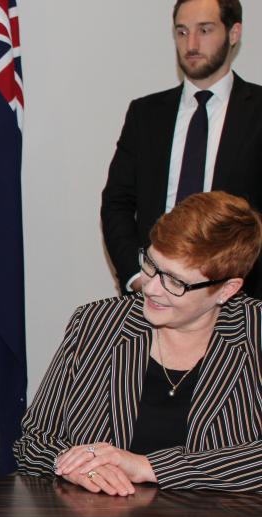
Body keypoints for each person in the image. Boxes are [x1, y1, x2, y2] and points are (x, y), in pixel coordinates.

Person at [16, 191, 262, 494]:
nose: (152, 288)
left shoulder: (255, 334)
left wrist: (149, 467)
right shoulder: (96, 324)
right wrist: (73, 465)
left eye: (176, 282)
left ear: (227, 289)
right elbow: (34, 441)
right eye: (151, 265)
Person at [101, 0, 262, 298]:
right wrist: (137, 277)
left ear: (234, 32)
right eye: (182, 31)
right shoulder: (145, 114)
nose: (192, 43)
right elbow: (117, 202)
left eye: (205, 29)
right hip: (154, 296)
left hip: (240, 301)